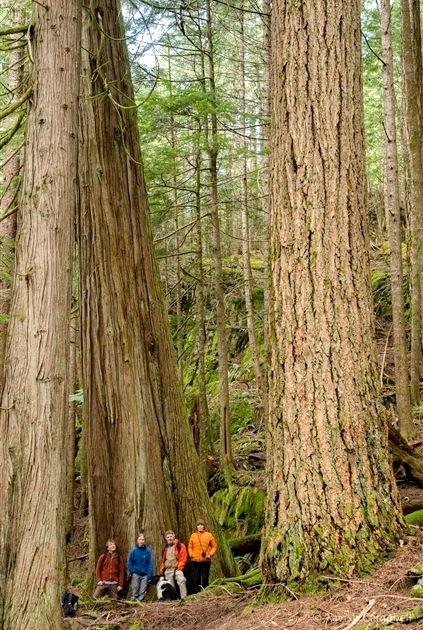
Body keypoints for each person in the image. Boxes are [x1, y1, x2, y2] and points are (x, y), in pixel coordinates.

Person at [188, 519, 217, 591]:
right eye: (198, 525)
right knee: (196, 578)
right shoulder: (193, 536)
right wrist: (191, 555)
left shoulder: (209, 535)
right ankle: (197, 592)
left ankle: (205, 591)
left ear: (204, 526)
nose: (200, 526)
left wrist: (210, 554)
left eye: (201, 525)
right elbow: (190, 547)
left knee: (205, 577)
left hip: (205, 560)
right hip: (195, 560)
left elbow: (214, 546)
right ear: (196, 527)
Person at [159, 530, 188, 599]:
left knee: (181, 580)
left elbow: (183, 558)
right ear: (166, 538)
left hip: (177, 568)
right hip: (168, 569)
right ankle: (173, 599)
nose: (169, 538)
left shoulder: (180, 546)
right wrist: (162, 569)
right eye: (168, 537)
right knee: (170, 586)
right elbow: (163, 560)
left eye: (171, 536)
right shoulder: (166, 548)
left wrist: (179, 568)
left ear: (174, 537)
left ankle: (184, 597)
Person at [127, 533, 154, 601]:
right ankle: (133, 602)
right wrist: (133, 571)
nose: (141, 541)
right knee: (134, 590)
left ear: (144, 541)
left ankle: (140, 602)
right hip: (136, 573)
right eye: (140, 539)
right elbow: (130, 562)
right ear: (137, 540)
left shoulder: (148, 551)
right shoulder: (134, 551)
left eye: (143, 539)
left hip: (145, 575)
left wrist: (149, 575)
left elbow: (150, 563)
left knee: (142, 592)